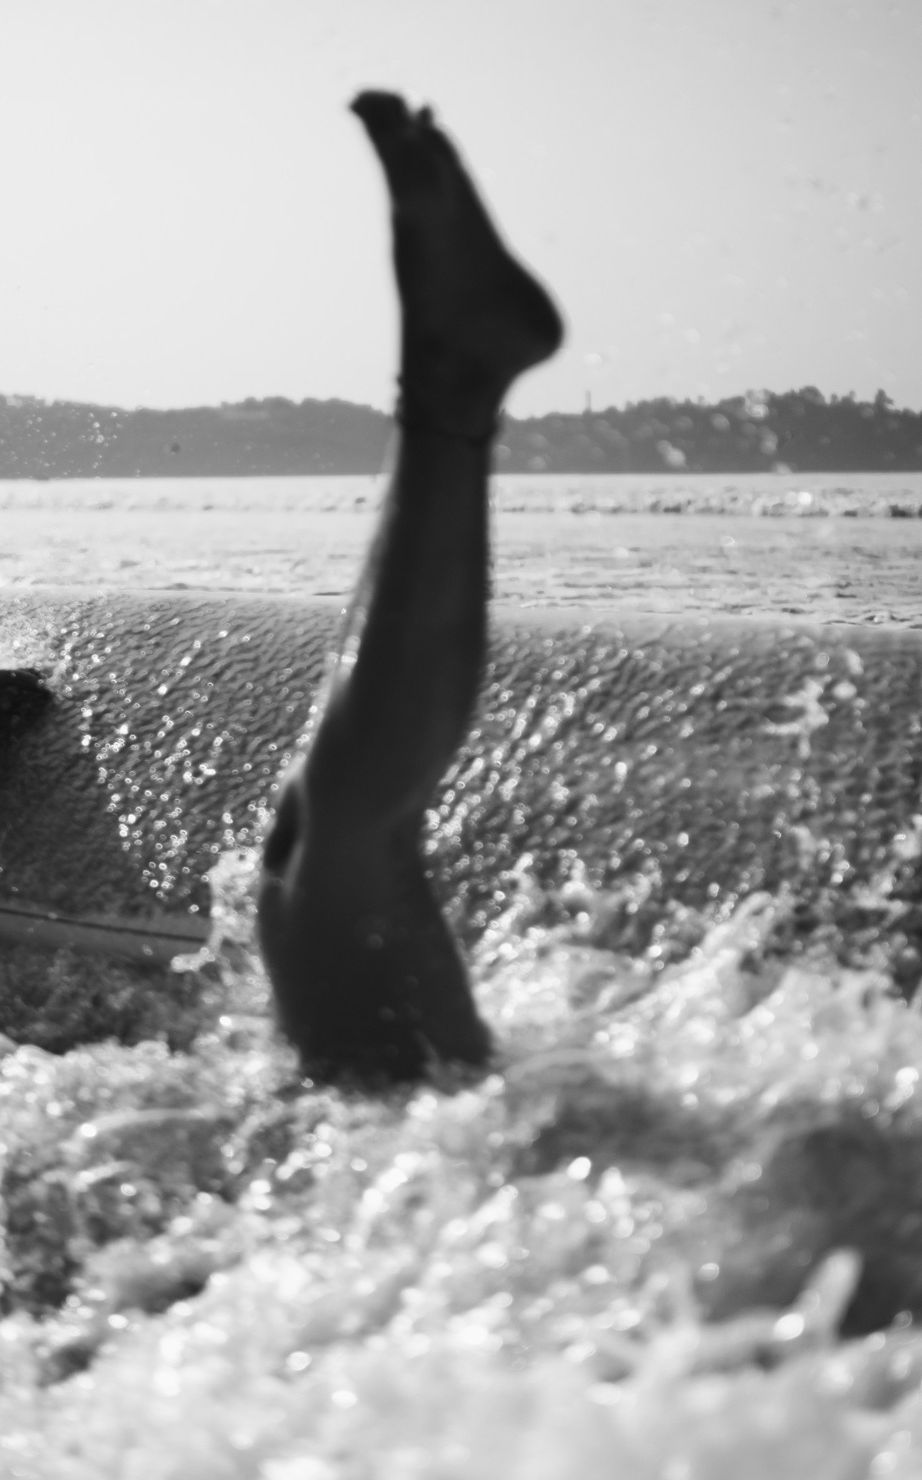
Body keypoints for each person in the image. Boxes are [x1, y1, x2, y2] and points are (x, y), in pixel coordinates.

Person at [255, 92, 563, 1083]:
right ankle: (449, 391)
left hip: (414, 1172)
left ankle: (450, 389)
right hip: (445, 1166)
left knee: (323, 836)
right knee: (338, 840)